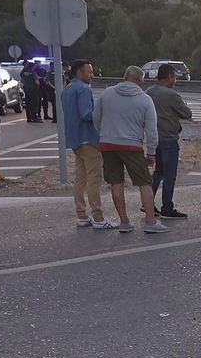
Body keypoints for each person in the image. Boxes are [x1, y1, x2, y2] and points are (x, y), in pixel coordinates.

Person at [93, 65, 165, 234]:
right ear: (141, 81)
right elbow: (151, 129)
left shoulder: (107, 94)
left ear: (125, 77)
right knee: (144, 182)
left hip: (108, 144)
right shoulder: (145, 100)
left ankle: (124, 221)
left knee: (116, 182)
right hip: (132, 145)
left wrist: (104, 134)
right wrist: (151, 152)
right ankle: (150, 221)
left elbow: (96, 118)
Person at [60, 59, 108, 228]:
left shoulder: (67, 89)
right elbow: (86, 114)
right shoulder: (83, 89)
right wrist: (102, 115)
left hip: (75, 139)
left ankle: (82, 215)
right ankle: (98, 217)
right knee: (94, 178)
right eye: (89, 72)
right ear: (80, 72)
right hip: (88, 138)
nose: (92, 75)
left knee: (80, 178)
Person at [146, 64, 193, 219]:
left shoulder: (149, 92)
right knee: (169, 174)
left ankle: (147, 201)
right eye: (175, 77)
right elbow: (187, 113)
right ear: (169, 77)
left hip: (154, 138)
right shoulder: (171, 94)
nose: (176, 80)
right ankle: (167, 207)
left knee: (158, 171)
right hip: (169, 138)